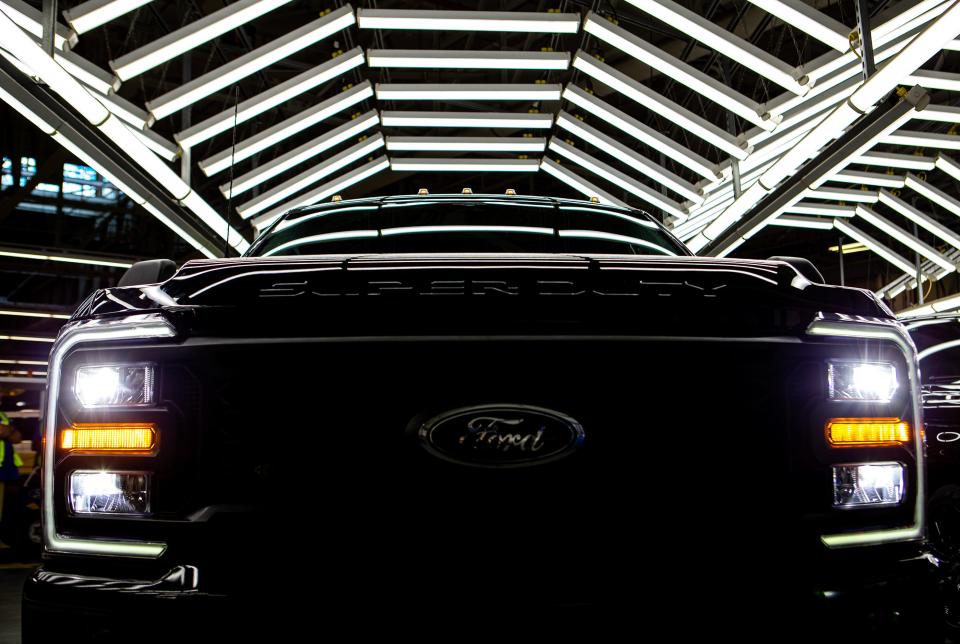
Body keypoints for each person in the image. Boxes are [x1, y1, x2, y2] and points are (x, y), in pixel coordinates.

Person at [0, 406, 23, 532]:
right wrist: (9, 430)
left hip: (8, 468)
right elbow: (3, 432)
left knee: (10, 503)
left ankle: (4, 534)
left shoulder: (3, 415)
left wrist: (9, 430)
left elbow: (17, 437)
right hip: (3, 468)